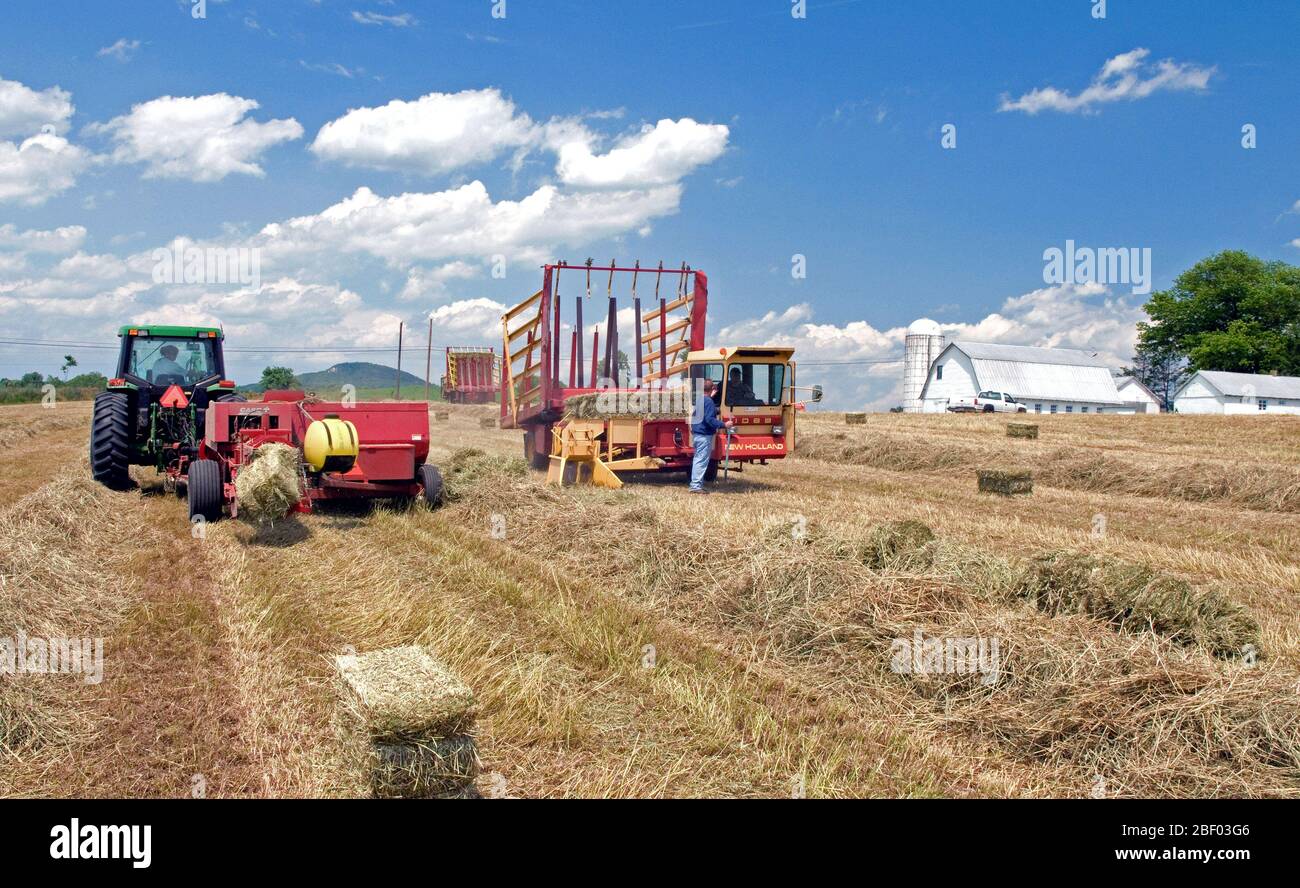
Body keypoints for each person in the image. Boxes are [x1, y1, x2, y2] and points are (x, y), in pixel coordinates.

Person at [689, 379, 733, 493]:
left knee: (698, 459)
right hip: (704, 436)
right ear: (712, 389)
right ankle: (695, 486)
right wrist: (724, 424)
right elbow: (709, 420)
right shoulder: (708, 401)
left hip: (697, 434)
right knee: (701, 460)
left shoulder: (700, 400)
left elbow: (696, 416)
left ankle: (696, 484)